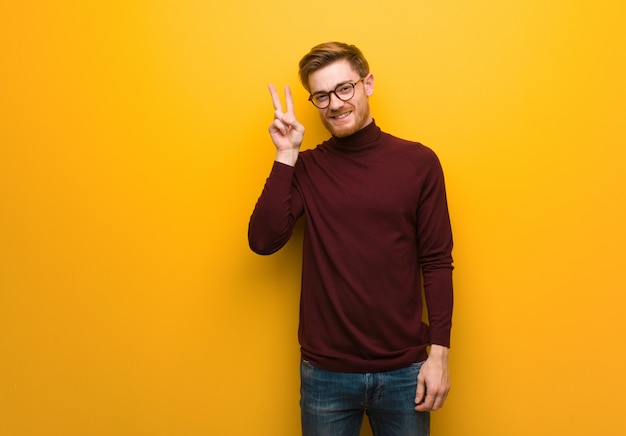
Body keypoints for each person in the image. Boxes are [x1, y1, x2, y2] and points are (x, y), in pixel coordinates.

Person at [248, 42, 454, 436]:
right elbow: (263, 240)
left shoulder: (418, 163)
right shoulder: (307, 167)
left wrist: (439, 356)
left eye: (345, 88)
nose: (335, 103)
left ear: (367, 84)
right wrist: (286, 155)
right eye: (322, 95)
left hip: (404, 372)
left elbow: (437, 261)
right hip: (326, 374)